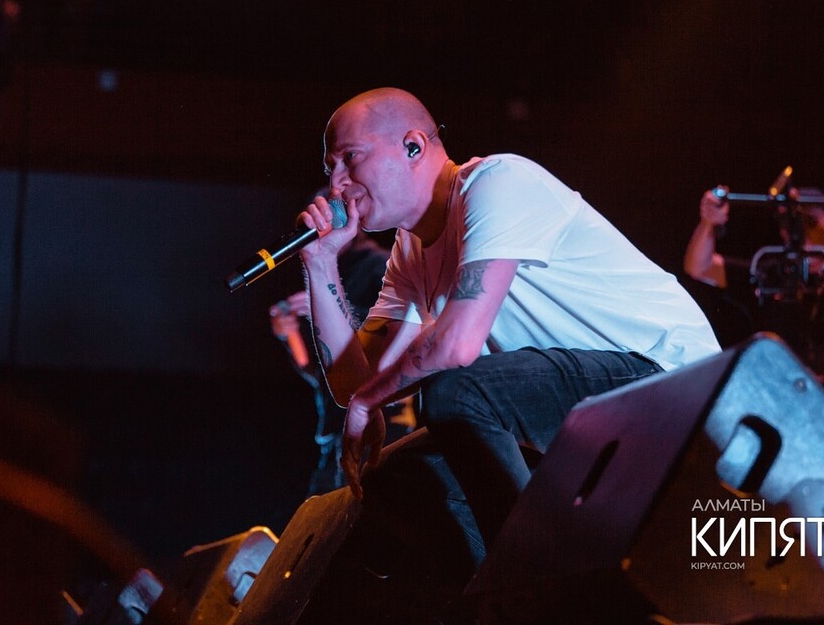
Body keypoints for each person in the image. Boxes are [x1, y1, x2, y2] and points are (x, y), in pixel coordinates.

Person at [295, 87, 721, 557]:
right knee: (399, 478)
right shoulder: (410, 252)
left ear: (413, 146)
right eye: (330, 169)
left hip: (671, 381)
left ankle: (529, 579)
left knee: (456, 392)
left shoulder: (496, 182)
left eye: (350, 159)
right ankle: (509, 582)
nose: (337, 184)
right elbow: (353, 384)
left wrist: (368, 401)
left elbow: (456, 346)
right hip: (590, 411)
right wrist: (320, 262)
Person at [682, 183, 824, 381]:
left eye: (811, 221)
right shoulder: (768, 274)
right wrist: (708, 223)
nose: (801, 232)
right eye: (790, 223)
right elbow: (699, 267)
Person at [268, 206, 413, 496]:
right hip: (335, 426)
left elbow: (401, 331)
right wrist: (288, 335)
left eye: (325, 217)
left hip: (384, 421)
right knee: (321, 514)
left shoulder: (380, 264)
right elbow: (316, 371)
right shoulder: (321, 266)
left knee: (369, 507)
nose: (317, 226)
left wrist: (330, 308)